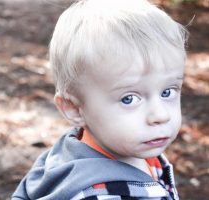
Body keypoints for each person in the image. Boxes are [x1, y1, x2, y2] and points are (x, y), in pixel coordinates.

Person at [12, 0, 188, 199]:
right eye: (129, 99)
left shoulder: (78, 152)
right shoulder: (102, 194)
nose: (160, 115)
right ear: (75, 109)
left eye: (167, 92)